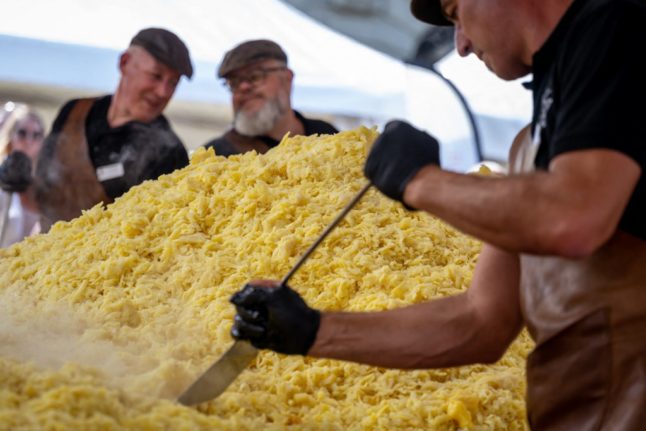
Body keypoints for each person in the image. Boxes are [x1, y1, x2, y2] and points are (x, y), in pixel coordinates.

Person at [229, 0, 646, 429]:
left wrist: (420, 180)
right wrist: (310, 330)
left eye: (455, 12)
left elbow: (573, 217)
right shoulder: (536, 136)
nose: (460, 45)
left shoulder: (620, 28)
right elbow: (481, 321)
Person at [34, 27, 193, 231]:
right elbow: (39, 188)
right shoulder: (74, 112)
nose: (163, 92)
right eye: (156, 76)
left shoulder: (169, 152)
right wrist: (19, 182)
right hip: (41, 249)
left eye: (173, 83)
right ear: (124, 63)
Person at [203, 39, 338, 157]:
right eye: (234, 83)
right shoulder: (215, 155)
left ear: (287, 78)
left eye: (255, 77)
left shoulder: (327, 135)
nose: (243, 87)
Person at [0, 103, 45, 246]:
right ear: (11, 136)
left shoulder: (45, 185)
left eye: (36, 135)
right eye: (22, 133)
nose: (29, 141)